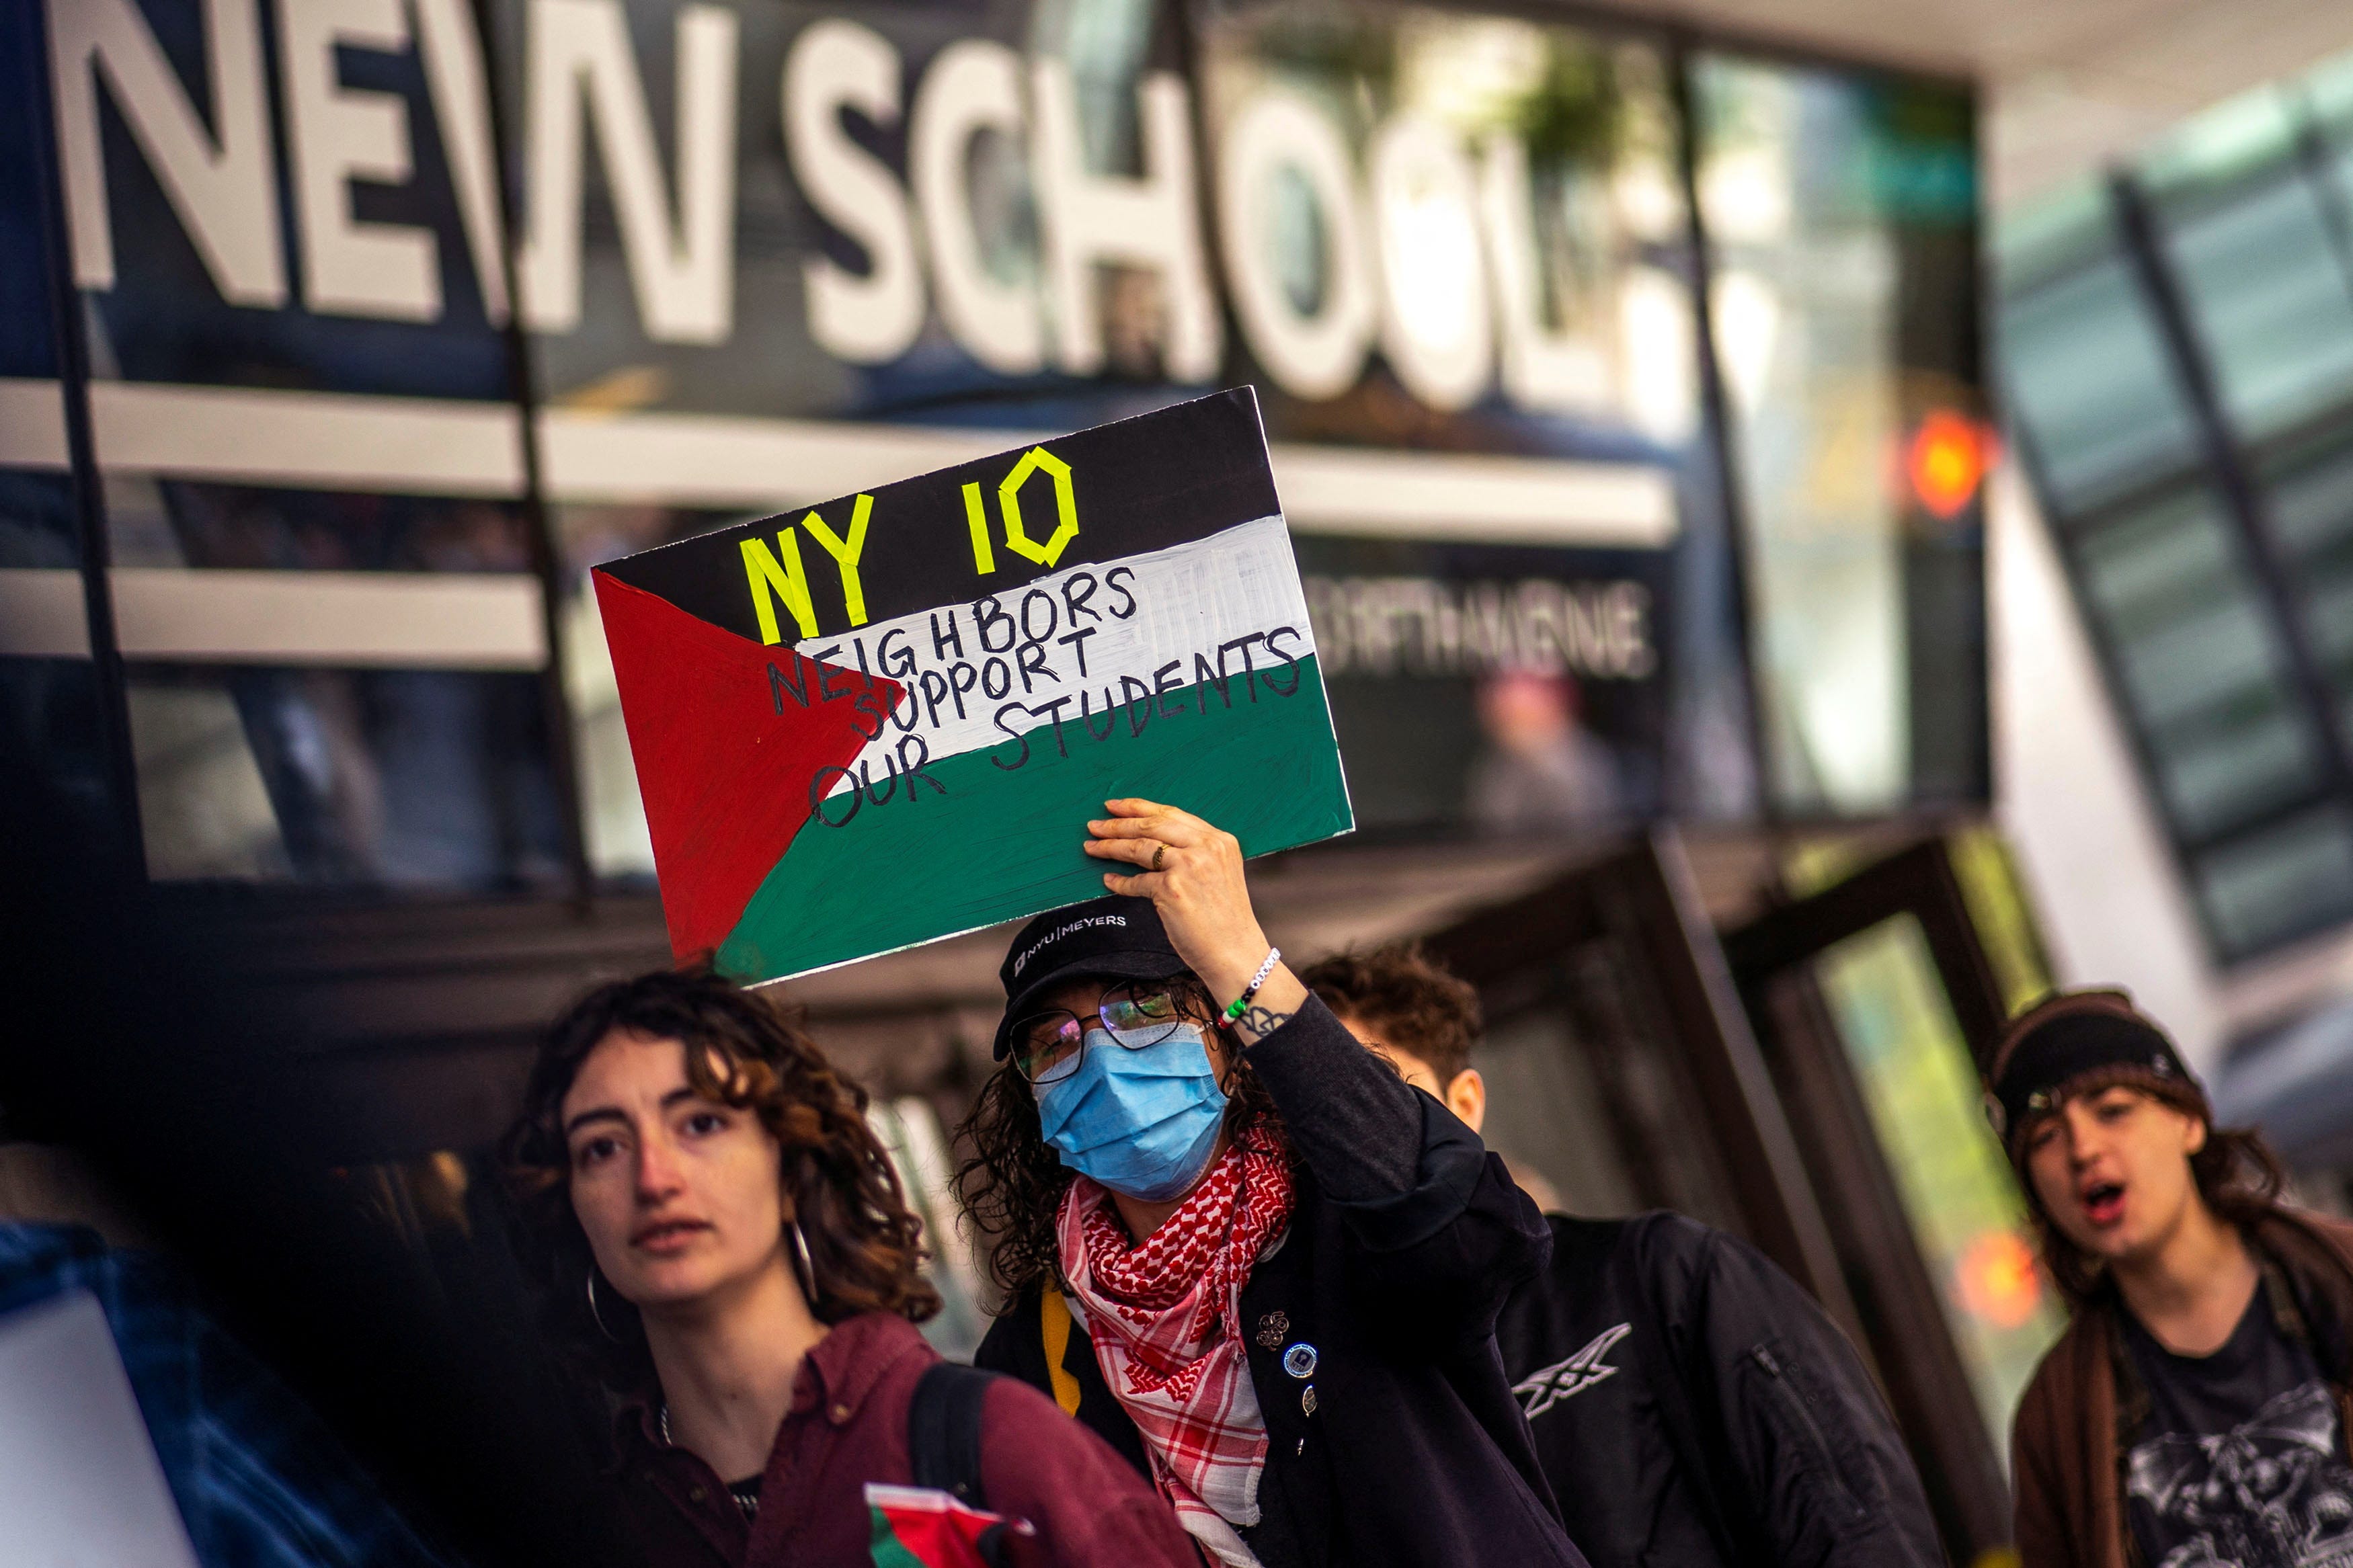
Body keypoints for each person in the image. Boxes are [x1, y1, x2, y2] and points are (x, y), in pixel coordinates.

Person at [957, 798, 1585, 1568]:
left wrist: (1243, 961)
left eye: (1145, 1007)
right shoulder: (1032, 1357)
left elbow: (1472, 1238)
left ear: (1224, 1036)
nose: (1103, 1056)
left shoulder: (1345, 1215)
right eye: (1052, 1041)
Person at [500, 967, 1198, 1568]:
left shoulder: (992, 1447)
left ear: (791, 1164)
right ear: (570, 1203)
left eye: (700, 1123)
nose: (653, 1178)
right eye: (602, 1147)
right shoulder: (586, 1526)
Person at [1300, 942, 1944, 1568]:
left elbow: (1857, 1522)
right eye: (1316, 1118)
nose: (1349, 1137)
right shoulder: (1319, 1381)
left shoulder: (1661, 1271)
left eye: (1374, 1095)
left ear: (1463, 1105)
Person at [1995, 989, 2353, 1568]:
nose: (2083, 1148)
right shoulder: (2055, 1419)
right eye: (2046, 1137)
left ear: (2188, 1121)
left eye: (2112, 1110)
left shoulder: (2339, 1274)